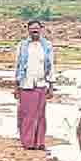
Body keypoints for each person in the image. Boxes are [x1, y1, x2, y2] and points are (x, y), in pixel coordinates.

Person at [13, 20, 54, 150]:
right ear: (28, 30)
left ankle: (39, 142)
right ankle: (28, 142)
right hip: (26, 84)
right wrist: (16, 86)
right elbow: (18, 66)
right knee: (26, 114)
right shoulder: (22, 46)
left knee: (40, 115)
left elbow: (51, 66)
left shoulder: (47, 46)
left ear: (41, 29)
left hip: (41, 84)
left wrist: (51, 86)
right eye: (32, 29)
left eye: (37, 28)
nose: (34, 31)